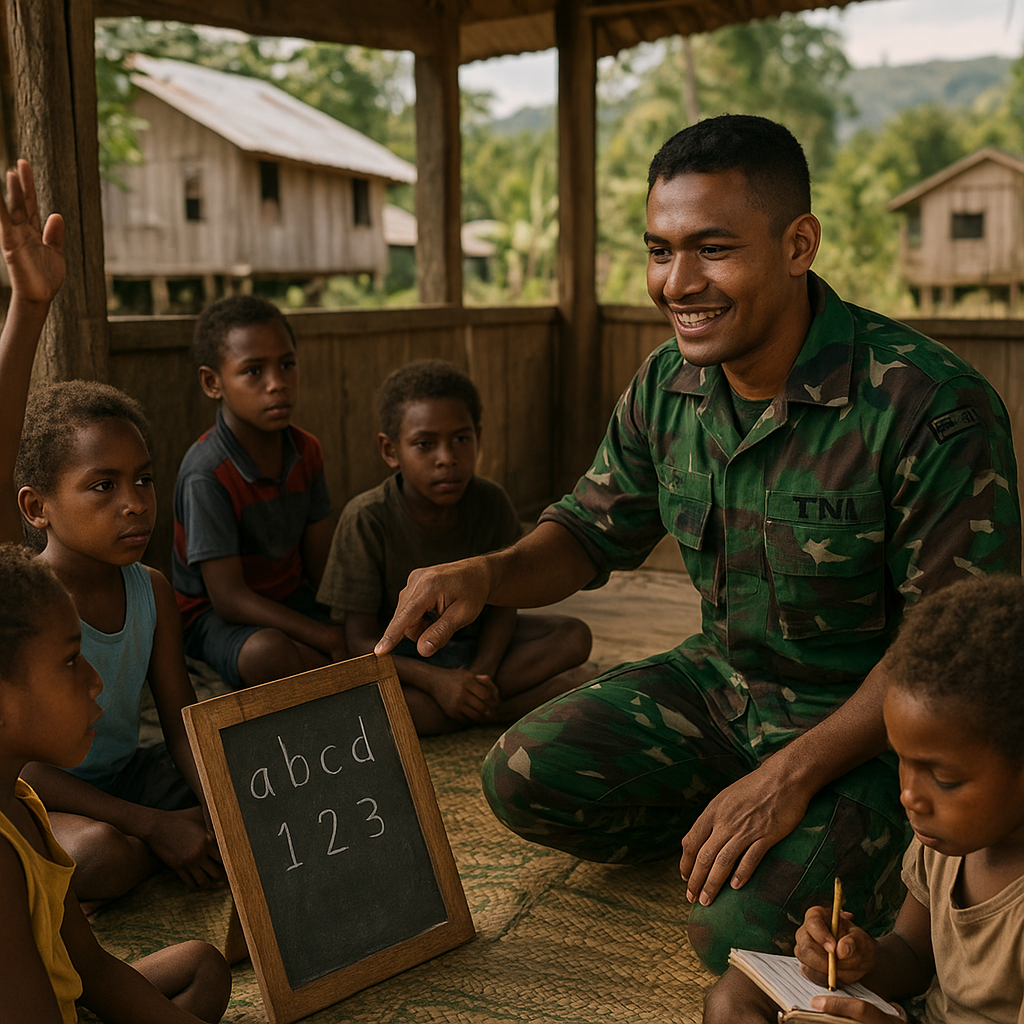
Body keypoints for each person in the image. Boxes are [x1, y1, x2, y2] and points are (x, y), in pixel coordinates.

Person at [374, 114, 1021, 973]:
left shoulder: (927, 407)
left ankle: (787, 834)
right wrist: (485, 572)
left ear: (799, 245)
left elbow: (946, 662)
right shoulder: (668, 383)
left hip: (872, 733)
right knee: (521, 773)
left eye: (712, 250)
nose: (677, 282)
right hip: (723, 691)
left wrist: (790, 777)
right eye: (658, 250)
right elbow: (587, 531)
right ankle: (736, 821)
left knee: (741, 942)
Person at [0, 161, 222, 906]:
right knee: (102, 855)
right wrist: (153, 828)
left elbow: (181, 717)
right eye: (102, 487)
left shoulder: (150, 590)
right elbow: (23, 770)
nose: (133, 504)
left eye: (143, 480)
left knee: (245, 808)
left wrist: (215, 802)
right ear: (36, 508)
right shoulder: (23, 600)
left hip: (133, 775)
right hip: (41, 794)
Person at [704, 574, 1024, 1024]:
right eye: (903, 761)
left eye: (946, 779)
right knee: (734, 995)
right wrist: (858, 959)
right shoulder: (948, 840)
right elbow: (912, 956)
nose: (910, 795)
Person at [0, 543, 231, 1024]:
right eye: (70, 661)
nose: (95, 680)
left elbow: (92, 972)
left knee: (202, 969)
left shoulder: (22, 804)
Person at [317, 359, 593, 734]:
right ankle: (495, 706)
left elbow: (503, 608)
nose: (446, 458)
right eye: (425, 444)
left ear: (478, 435)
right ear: (390, 450)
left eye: (461, 439)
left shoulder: (490, 501)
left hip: (477, 645)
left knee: (573, 636)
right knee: (407, 711)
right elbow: (361, 641)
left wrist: (480, 674)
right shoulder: (367, 518)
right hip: (408, 664)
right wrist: (438, 682)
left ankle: (473, 700)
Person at [172, 294, 347, 689]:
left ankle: (339, 674)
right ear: (212, 382)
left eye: (287, 365)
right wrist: (323, 637)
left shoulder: (306, 451)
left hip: (291, 602)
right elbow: (229, 599)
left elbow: (321, 570)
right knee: (268, 654)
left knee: (370, 633)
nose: (277, 384)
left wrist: (348, 622)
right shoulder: (208, 474)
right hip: (214, 619)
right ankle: (340, 676)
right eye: (253, 371)